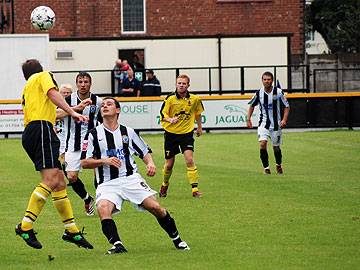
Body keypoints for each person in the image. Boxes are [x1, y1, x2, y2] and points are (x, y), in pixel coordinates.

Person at [80, 97, 190, 254]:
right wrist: (105, 161)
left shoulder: (128, 132)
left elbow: (144, 151)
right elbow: (84, 162)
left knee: (155, 207)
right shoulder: (92, 134)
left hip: (131, 179)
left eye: (109, 104)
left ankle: (177, 239)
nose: (104, 106)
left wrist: (150, 164)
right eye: (103, 105)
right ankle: (117, 245)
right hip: (107, 183)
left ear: (117, 110)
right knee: (103, 209)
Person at [16, 59, 93, 250]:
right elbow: (52, 94)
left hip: (36, 131)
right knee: (50, 180)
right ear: (40, 70)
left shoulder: (28, 87)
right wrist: (73, 113)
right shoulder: (44, 76)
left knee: (59, 182)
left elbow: (52, 113)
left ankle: (71, 230)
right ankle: (25, 226)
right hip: (41, 130)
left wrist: (74, 109)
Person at [63, 72, 102, 216]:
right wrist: (74, 109)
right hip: (74, 144)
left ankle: (102, 203)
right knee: (71, 176)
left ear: (90, 83)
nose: (83, 84)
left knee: (99, 174)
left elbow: (105, 120)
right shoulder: (68, 100)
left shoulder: (98, 101)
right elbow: (56, 114)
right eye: (80, 82)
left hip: (94, 143)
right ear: (76, 84)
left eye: (86, 82)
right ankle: (87, 198)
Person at [159, 74, 204, 198]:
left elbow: (198, 113)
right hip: (171, 134)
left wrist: (199, 127)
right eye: (179, 83)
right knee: (169, 165)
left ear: (188, 85)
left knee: (189, 159)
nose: (181, 85)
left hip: (186, 134)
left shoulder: (195, 99)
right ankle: (165, 184)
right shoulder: (170, 99)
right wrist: (170, 119)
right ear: (176, 84)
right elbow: (162, 115)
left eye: (184, 83)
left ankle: (195, 189)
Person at [247, 71, 290, 174]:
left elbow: (287, 106)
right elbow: (252, 105)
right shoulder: (259, 93)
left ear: (272, 81)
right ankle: (266, 168)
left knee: (276, 148)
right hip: (263, 124)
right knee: (262, 144)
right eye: (265, 79)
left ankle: (278, 165)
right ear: (262, 80)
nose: (267, 81)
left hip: (276, 125)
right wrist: (248, 119)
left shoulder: (279, 92)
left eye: (269, 79)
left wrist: (284, 120)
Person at [54, 84, 73, 163]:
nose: (66, 94)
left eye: (68, 93)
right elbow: (54, 116)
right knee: (60, 157)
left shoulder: (74, 104)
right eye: (63, 92)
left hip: (71, 134)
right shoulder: (55, 104)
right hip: (59, 134)